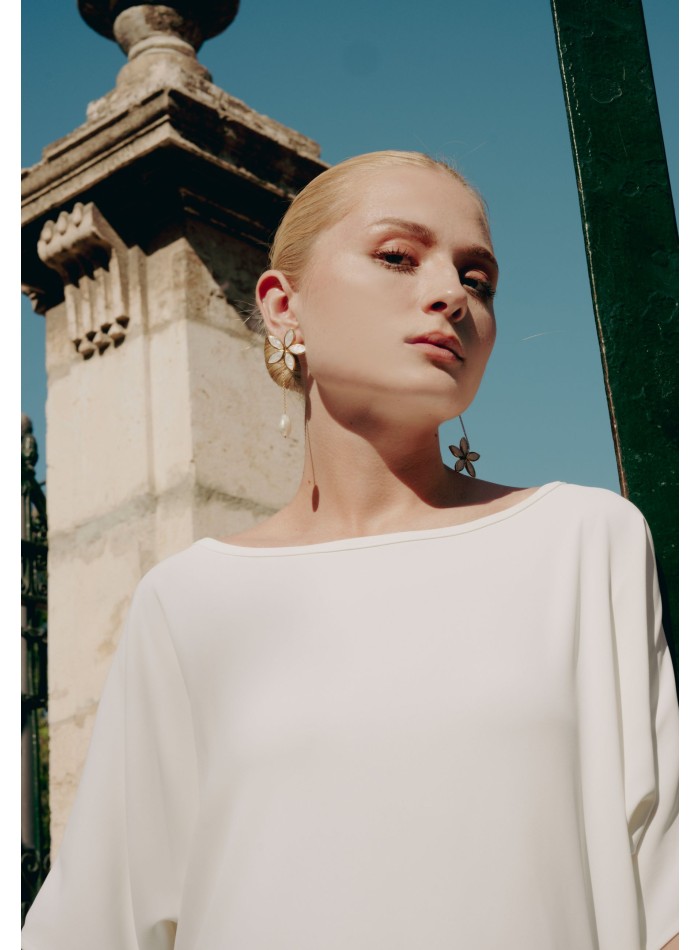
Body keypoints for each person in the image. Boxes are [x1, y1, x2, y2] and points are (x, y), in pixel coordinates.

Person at [21, 150, 678, 949]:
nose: (450, 295)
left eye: (479, 279)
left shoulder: (583, 541)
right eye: (397, 257)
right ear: (280, 306)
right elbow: (103, 919)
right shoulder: (187, 601)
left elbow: (668, 880)